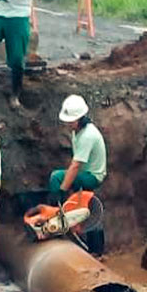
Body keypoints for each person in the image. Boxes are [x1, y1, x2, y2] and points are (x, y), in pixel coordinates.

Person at [50, 94, 107, 254]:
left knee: (56, 177)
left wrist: (61, 191)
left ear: (80, 118)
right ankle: (96, 250)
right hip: (87, 172)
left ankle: (56, 217)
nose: (67, 124)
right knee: (87, 209)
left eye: (70, 121)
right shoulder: (79, 130)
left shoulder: (87, 135)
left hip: (92, 176)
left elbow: (75, 166)